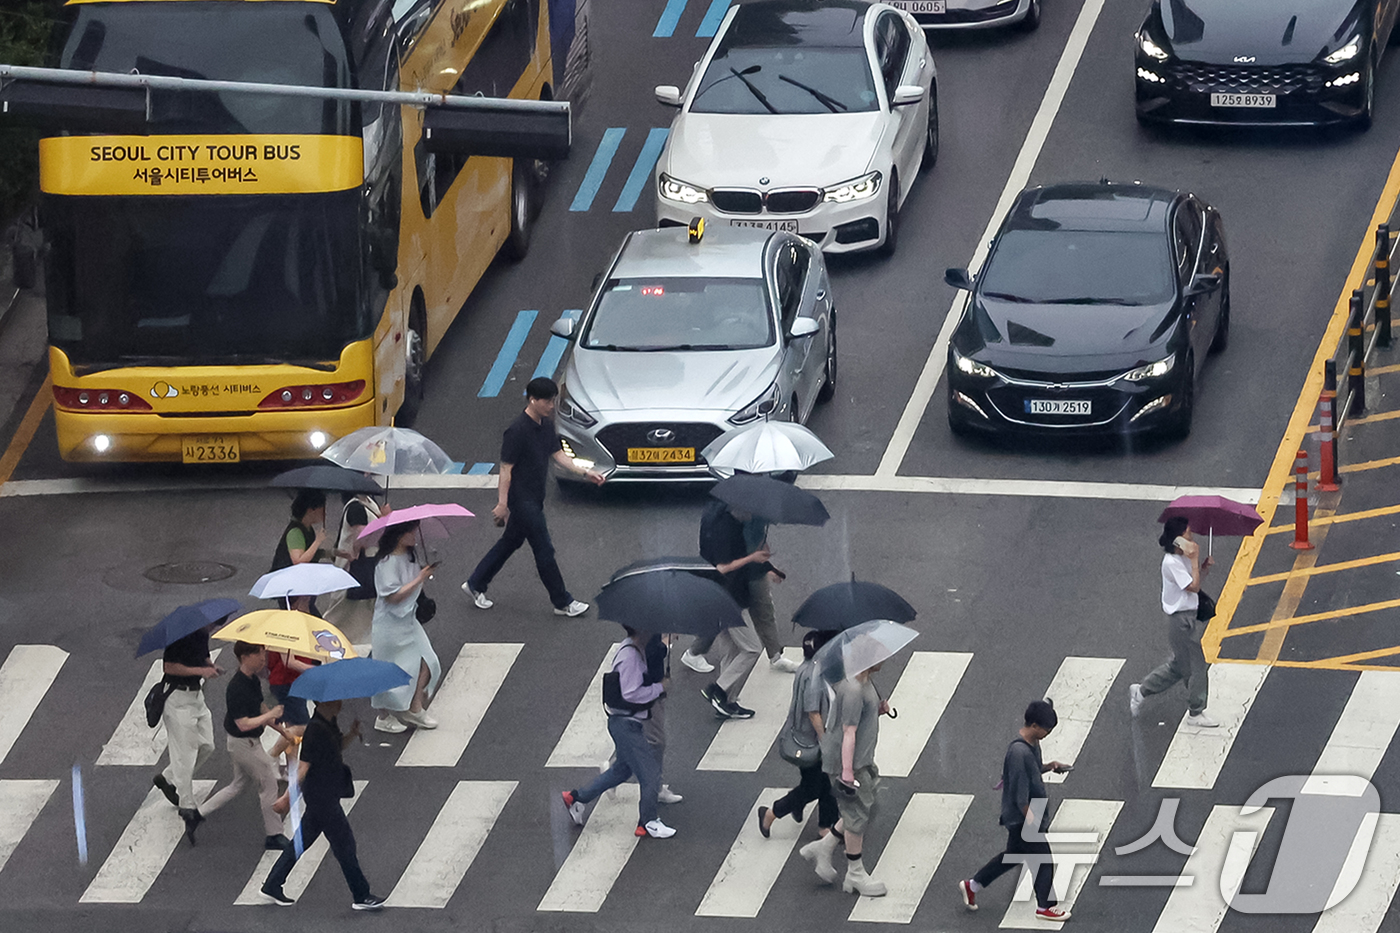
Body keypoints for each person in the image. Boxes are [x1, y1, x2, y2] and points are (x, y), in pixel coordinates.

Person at [462, 377, 603, 617]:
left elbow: (558, 455)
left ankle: (476, 583)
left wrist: (585, 471)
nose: (551, 406)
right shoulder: (516, 431)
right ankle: (562, 602)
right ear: (532, 400)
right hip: (522, 500)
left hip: (536, 497)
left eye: (553, 400)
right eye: (547, 401)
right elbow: (506, 469)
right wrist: (502, 504)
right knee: (544, 550)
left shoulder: (546, 426)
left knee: (510, 543)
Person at [260, 699, 384, 910]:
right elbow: (303, 768)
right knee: (345, 844)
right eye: (335, 700)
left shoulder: (329, 722)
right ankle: (361, 896)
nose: (340, 703)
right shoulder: (314, 730)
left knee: (302, 841)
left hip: (328, 793)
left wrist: (352, 734)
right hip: (321, 797)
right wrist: (287, 799)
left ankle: (273, 883)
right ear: (322, 703)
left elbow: (336, 748)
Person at [958, 699, 1071, 922]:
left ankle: (973, 885)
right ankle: (1045, 907)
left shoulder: (1031, 745)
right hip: (1024, 815)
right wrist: (1032, 821)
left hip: (1029, 811)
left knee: (1013, 856)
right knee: (1043, 860)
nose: (1047, 733)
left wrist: (1050, 766)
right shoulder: (1019, 753)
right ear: (1035, 725)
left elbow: (1033, 770)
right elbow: (1020, 795)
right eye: (1046, 729)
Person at [561, 626, 675, 838]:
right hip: (627, 724)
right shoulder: (631, 656)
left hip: (624, 722)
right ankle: (648, 822)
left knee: (621, 770)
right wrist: (660, 688)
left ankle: (576, 797)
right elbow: (631, 693)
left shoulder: (632, 648)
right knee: (649, 773)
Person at [193, 641, 290, 850]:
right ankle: (274, 835)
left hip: (244, 743)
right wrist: (271, 714)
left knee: (237, 784)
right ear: (245, 656)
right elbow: (243, 723)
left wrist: (281, 730)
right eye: (260, 655)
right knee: (269, 784)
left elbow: (260, 707)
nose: (264, 660)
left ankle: (196, 814)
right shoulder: (236, 688)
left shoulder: (252, 680)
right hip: (245, 744)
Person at [802, 661, 888, 895]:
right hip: (851, 763)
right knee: (857, 814)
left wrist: (876, 709)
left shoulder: (864, 681)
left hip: (862, 759)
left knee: (865, 807)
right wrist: (847, 773)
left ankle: (824, 846)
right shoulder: (852, 689)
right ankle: (855, 874)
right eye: (879, 655)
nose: (885, 659)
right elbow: (849, 731)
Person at [1130, 517, 1217, 728]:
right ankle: (1196, 712)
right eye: (1188, 535)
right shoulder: (1171, 562)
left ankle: (1142, 690)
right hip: (1180, 621)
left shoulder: (1183, 558)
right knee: (1197, 665)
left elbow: (1194, 583)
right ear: (1178, 540)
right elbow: (1193, 588)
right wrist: (1196, 560)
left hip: (1189, 616)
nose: (1192, 538)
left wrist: (1202, 567)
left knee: (1179, 667)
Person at [690, 498, 770, 719]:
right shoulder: (725, 530)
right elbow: (722, 568)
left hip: (718, 594)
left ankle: (726, 702)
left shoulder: (715, 517)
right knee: (752, 648)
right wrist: (752, 557)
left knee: (731, 650)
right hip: (729, 597)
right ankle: (717, 689)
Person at [760, 630, 838, 844]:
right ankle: (773, 812)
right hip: (811, 742)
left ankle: (824, 826)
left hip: (805, 738)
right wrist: (826, 741)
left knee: (824, 784)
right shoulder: (816, 675)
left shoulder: (806, 667)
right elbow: (813, 712)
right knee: (817, 786)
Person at [370, 521, 442, 733]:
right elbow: (392, 596)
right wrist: (419, 578)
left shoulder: (411, 557)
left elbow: (409, 591)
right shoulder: (385, 563)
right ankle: (383, 716)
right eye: (410, 532)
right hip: (389, 625)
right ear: (399, 536)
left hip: (408, 621)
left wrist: (422, 577)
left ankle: (415, 707)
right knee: (389, 671)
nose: (415, 536)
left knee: (429, 661)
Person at [152, 623, 220, 842]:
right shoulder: (179, 636)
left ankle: (168, 778)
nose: (215, 629)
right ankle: (187, 807)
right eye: (217, 625)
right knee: (185, 753)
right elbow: (169, 668)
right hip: (177, 699)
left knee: (208, 745)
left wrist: (211, 666)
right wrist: (201, 671)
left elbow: (203, 656)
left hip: (196, 697)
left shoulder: (201, 634)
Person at [323, 489, 386, 645]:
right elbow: (363, 537)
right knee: (340, 613)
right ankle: (325, 641)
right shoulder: (355, 507)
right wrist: (386, 519)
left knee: (361, 611)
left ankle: (357, 644)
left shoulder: (369, 502)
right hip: (351, 570)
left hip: (361, 566)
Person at [266, 595, 321, 768]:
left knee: (292, 727)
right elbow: (289, 661)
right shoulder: (285, 626)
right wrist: (314, 670)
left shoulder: (302, 622)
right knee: (302, 726)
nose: (309, 605)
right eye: (305, 601)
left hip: (295, 682)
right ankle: (272, 755)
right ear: (294, 603)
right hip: (285, 683)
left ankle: (292, 768)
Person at [270, 489, 330, 572]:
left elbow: (311, 553)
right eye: (321, 509)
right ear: (311, 510)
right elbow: (298, 561)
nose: (324, 513)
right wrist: (318, 541)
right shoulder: (295, 532)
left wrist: (333, 553)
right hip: (285, 578)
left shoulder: (308, 529)